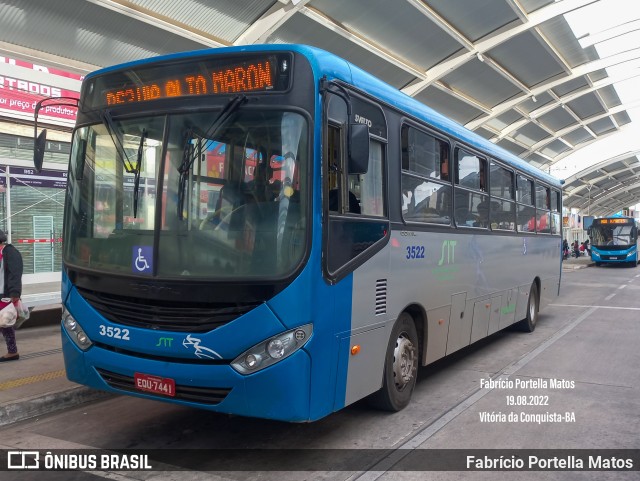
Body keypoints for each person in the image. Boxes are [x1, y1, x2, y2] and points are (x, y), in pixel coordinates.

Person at [0, 230, 23, 362]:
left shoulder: (10, 252)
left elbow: (15, 273)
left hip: (6, 294)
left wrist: (15, 293)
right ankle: (12, 351)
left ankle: (13, 352)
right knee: (4, 324)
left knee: (5, 323)